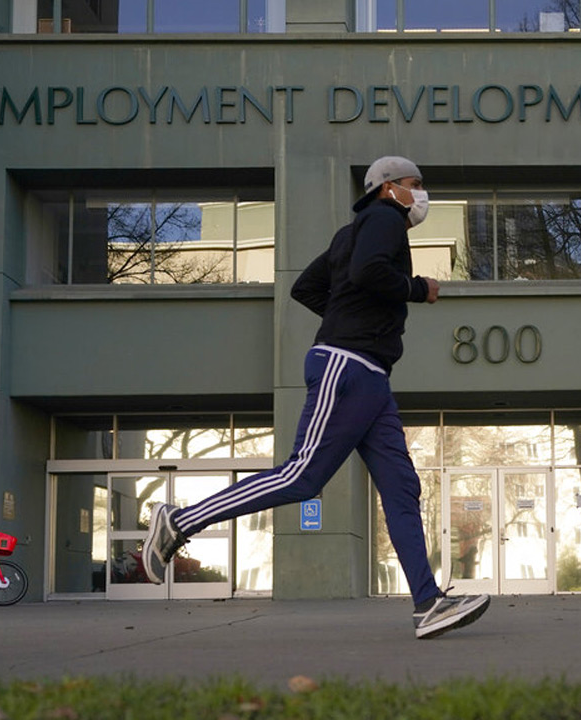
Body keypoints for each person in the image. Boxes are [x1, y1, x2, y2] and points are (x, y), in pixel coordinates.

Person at [141, 156, 489, 640]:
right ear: (389, 188)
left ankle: (428, 603)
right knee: (303, 476)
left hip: (370, 379)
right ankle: (179, 521)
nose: (421, 193)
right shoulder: (385, 219)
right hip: (347, 367)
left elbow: (306, 287)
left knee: (402, 489)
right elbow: (370, 274)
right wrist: (417, 287)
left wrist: (348, 314)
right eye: (415, 184)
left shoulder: (349, 233)